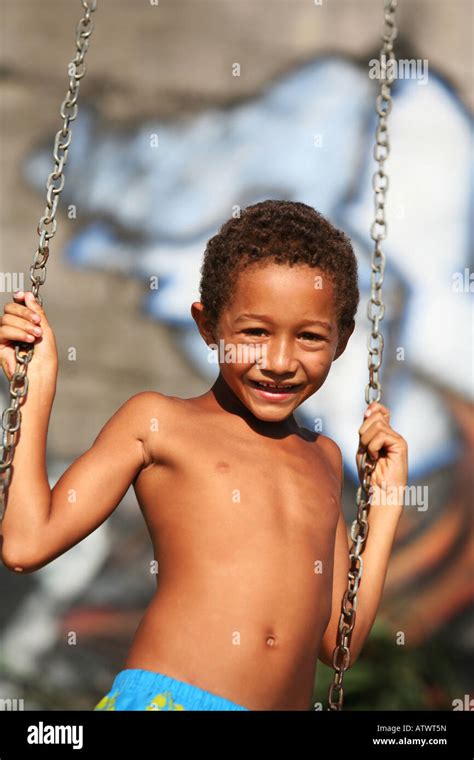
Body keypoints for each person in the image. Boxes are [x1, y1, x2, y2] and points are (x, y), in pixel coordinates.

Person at [0, 200, 408, 711]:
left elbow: (338, 645)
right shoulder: (159, 423)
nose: (280, 362)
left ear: (342, 340)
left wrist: (386, 499)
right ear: (208, 325)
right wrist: (34, 391)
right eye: (255, 333)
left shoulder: (324, 457)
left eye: (308, 337)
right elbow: (24, 544)